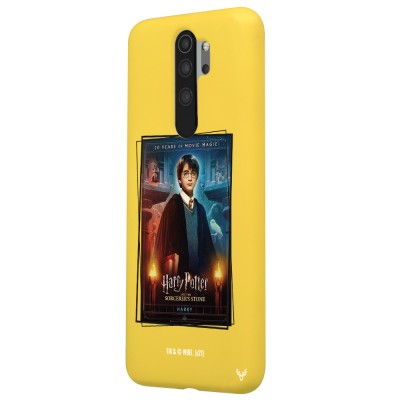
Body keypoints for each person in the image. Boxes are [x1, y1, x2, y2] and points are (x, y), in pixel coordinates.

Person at [154, 154, 216, 276]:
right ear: (179, 179)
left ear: (196, 177)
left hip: (198, 278)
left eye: (193, 173)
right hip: (177, 277)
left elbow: (208, 250)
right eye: (186, 173)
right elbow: (164, 247)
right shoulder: (173, 206)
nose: (190, 178)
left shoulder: (200, 210)